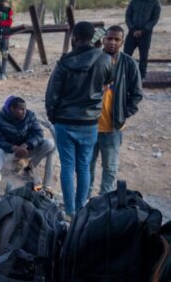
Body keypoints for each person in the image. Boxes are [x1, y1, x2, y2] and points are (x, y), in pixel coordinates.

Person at [45, 21, 113, 219]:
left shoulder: (64, 62)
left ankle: (69, 211)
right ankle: (81, 207)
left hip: (65, 121)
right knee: (83, 166)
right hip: (90, 122)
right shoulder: (104, 59)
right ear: (93, 37)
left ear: (74, 38)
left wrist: (53, 116)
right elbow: (109, 81)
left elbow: (52, 94)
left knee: (67, 166)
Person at [89, 25, 143, 195]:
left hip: (113, 127)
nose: (112, 42)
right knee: (86, 167)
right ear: (103, 40)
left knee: (110, 168)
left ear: (122, 42)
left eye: (116, 39)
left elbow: (137, 94)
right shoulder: (93, 59)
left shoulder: (129, 63)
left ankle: (104, 203)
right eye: (109, 38)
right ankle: (85, 201)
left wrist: (124, 113)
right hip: (89, 125)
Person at [0, 96, 55, 187]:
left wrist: (26, 145)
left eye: (25, 108)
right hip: (10, 152)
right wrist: (13, 148)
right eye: (21, 109)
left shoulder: (30, 115)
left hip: (27, 150)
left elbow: (38, 134)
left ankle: (28, 170)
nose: (25, 111)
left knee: (49, 143)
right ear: (12, 109)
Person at [124, 0, 161, 79]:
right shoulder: (134, 1)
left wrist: (144, 30)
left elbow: (155, 19)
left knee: (143, 57)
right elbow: (128, 16)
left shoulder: (155, 3)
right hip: (132, 33)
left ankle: (141, 77)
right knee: (126, 55)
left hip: (145, 34)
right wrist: (132, 29)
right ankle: (124, 74)